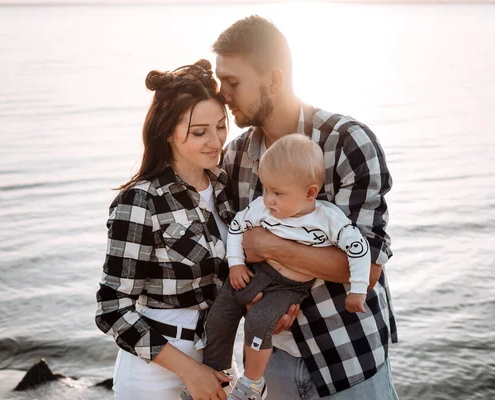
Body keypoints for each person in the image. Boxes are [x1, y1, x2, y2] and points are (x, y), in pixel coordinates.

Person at [215, 16, 399, 399]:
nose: (222, 94)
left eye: (232, 82)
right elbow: (236, 258)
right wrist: (256, 305)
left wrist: (268, 246)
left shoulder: (348, 143)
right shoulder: (234, 157)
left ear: (274, 79)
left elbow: (365, 270)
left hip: (347, 357)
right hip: (274, 360)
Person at [95, 59, 238, 400]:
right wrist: (192, 372)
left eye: (221, 126)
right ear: (168, 132)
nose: (215, 141)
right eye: (199, 132)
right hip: (156, 373)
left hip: (220, 357)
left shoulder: (225, 186)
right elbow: (112, 309)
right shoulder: (140, 201)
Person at [200, 134, 371, 400]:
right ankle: (214, 371)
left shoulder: (328, 219)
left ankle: (253, 383)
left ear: (310, 193)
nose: (268, 199)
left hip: (290, 288)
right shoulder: (263, 208)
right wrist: (236, 265)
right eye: (266, 189)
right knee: (221, 309)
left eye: (278, 193)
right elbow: (236, 227)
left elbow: (359, 250)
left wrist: (357, 291)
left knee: (259, 320)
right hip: (258, 273)